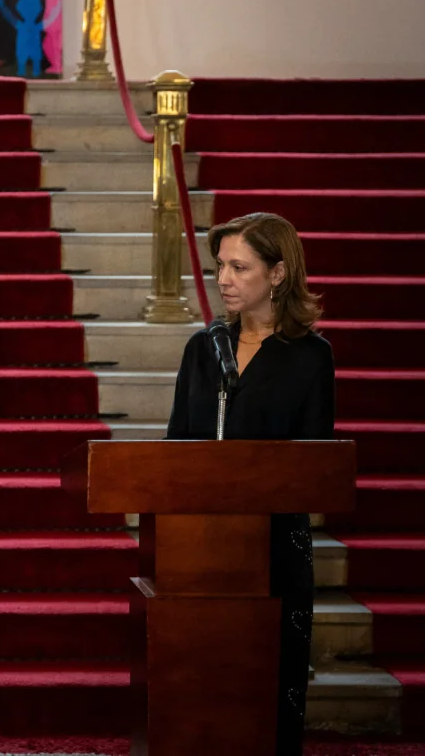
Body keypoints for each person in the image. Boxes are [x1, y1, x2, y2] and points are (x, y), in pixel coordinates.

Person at [166, 212, 334, 756]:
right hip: (198, 548)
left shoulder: (311, 357)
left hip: (275, 549)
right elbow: (175, 451)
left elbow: (312, 466)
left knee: (268, 688)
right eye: (220, 266)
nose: (224, 279)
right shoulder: (203, 349)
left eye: (240, 267)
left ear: (278, 273)